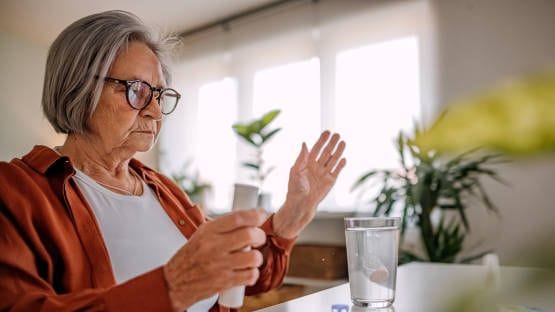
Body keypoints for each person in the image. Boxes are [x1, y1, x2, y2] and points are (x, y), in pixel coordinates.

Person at [0, 10, 346, 312]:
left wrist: (293, 214)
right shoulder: (15, 191)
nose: (154, 110)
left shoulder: (161, 188)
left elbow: (241, 279)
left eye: (160, 94)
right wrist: (173, 286)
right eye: (137, 90)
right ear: (79, 87)